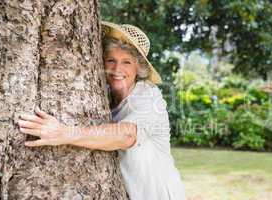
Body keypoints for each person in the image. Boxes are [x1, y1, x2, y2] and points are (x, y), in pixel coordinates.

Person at [17, 21, 186, 200]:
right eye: (111, 60)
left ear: (139, 69)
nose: (117, 69)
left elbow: (126, 135)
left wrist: (63, 133)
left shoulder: (148, 96)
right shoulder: (104, 97)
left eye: (126, 62)